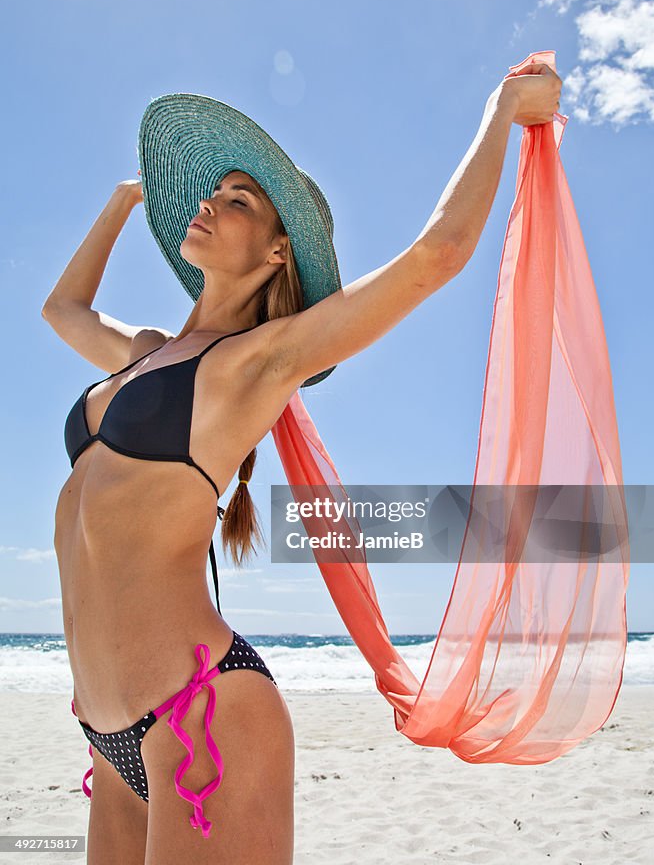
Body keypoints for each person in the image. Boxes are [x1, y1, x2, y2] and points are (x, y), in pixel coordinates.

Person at [42, 64, 561, 864]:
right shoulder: (146, 353)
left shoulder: (259, 363)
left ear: (279, 251)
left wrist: (501, 111)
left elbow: (438, 254)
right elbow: (61, 310)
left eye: (238, 199)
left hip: (201, 714)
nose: (210, 202)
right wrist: (121, 202)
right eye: (210, 192)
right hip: (106, 730)